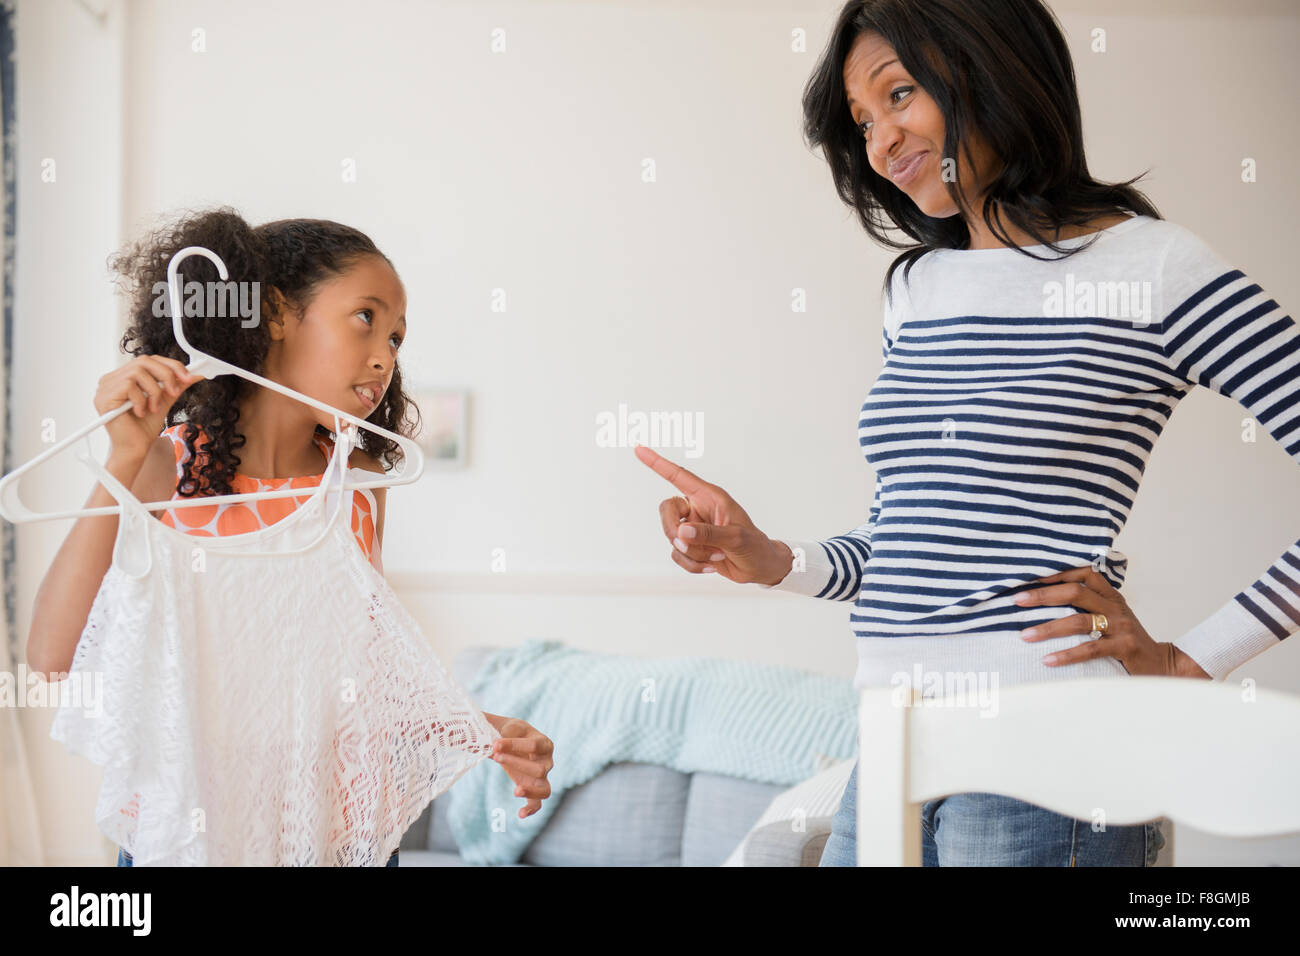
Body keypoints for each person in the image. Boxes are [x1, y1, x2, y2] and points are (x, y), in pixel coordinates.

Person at [637, 0, 1298, 866]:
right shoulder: (916, 290)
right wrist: (774, 561)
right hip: (893, 746)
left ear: (989, 69)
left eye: (899, 93)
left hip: (1050, 762)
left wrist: (1192, 661)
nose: (878, 140)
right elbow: (914, 542)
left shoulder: (1155, 268)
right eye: (862, 122)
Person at [27, 209, 554, 866]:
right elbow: (52, 662)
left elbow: (356, 685)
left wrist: (481, 729)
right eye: (367, 317)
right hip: (197, 838)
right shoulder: (163, 466)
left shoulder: (357, 486)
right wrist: (121, 460)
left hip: (337, 837)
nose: (385, 355)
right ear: (275, 313)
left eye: (397, 336)